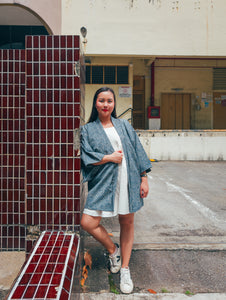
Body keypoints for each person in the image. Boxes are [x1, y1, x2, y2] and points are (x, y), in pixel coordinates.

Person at [80, 87, 152, 294]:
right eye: (101, 100)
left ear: (114, 104)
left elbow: (138, 151)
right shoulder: (88, 129)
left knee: (127, 222)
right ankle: (114, 251)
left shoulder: (124, 125)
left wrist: (143, 178)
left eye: (109, 101)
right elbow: (86, 156)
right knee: (88, 222)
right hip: (103, 182)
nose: (105, 104)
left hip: (127, 180)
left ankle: (125, 269)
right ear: (95, 103)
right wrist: (109, 158)